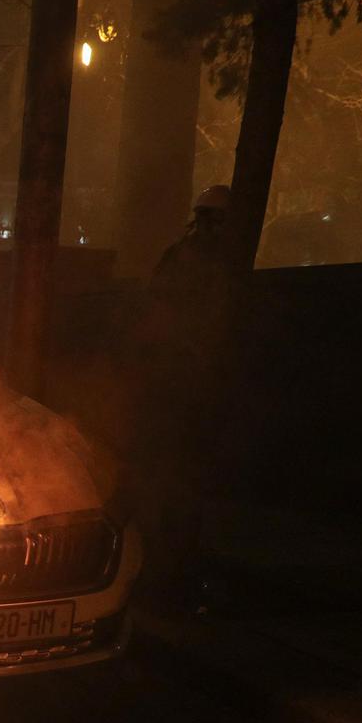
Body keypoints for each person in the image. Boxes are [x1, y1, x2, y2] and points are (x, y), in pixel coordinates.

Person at [129, 183, 243, 608]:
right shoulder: (203, 261)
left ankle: (164, 572)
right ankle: (168, 576)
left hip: (177, 388)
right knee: (177, 483)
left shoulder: (182, 255)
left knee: (174, 482)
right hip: (181, 388)